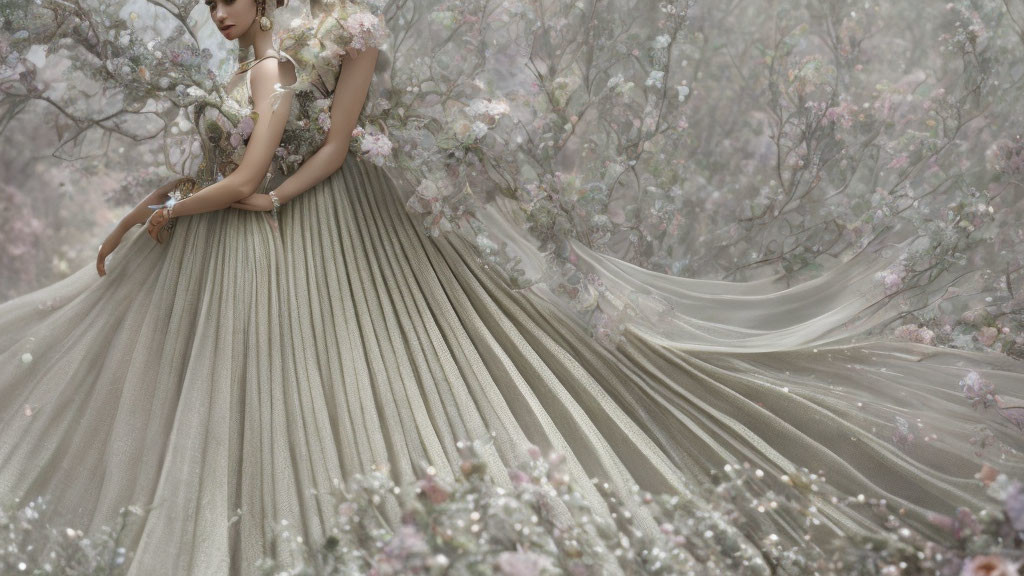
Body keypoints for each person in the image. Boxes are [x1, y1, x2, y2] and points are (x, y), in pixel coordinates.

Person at [1, 0, 1022, 573]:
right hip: (242, 233)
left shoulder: (345, 32)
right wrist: (206, 199)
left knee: (354, 367)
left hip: (320, 217)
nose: (218, 12)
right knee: (225, 379)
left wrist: (259, 197)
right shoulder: (258, 60)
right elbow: (249, 146)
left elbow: (338, 145)